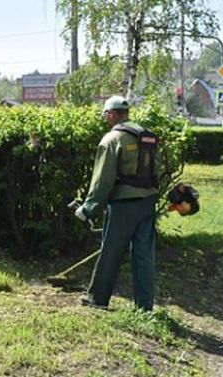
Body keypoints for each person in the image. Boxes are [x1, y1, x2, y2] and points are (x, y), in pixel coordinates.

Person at [75, 96, 159, 311]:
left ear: (111, 114)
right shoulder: (145, 135)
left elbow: (103, 179)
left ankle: (98, 299)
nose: (105, 119)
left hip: (124, 204)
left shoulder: (111, 139)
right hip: (148, 201)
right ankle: (144, 307)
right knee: (143, 255)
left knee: (111, 252)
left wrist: (88, 209)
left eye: (106, 115)